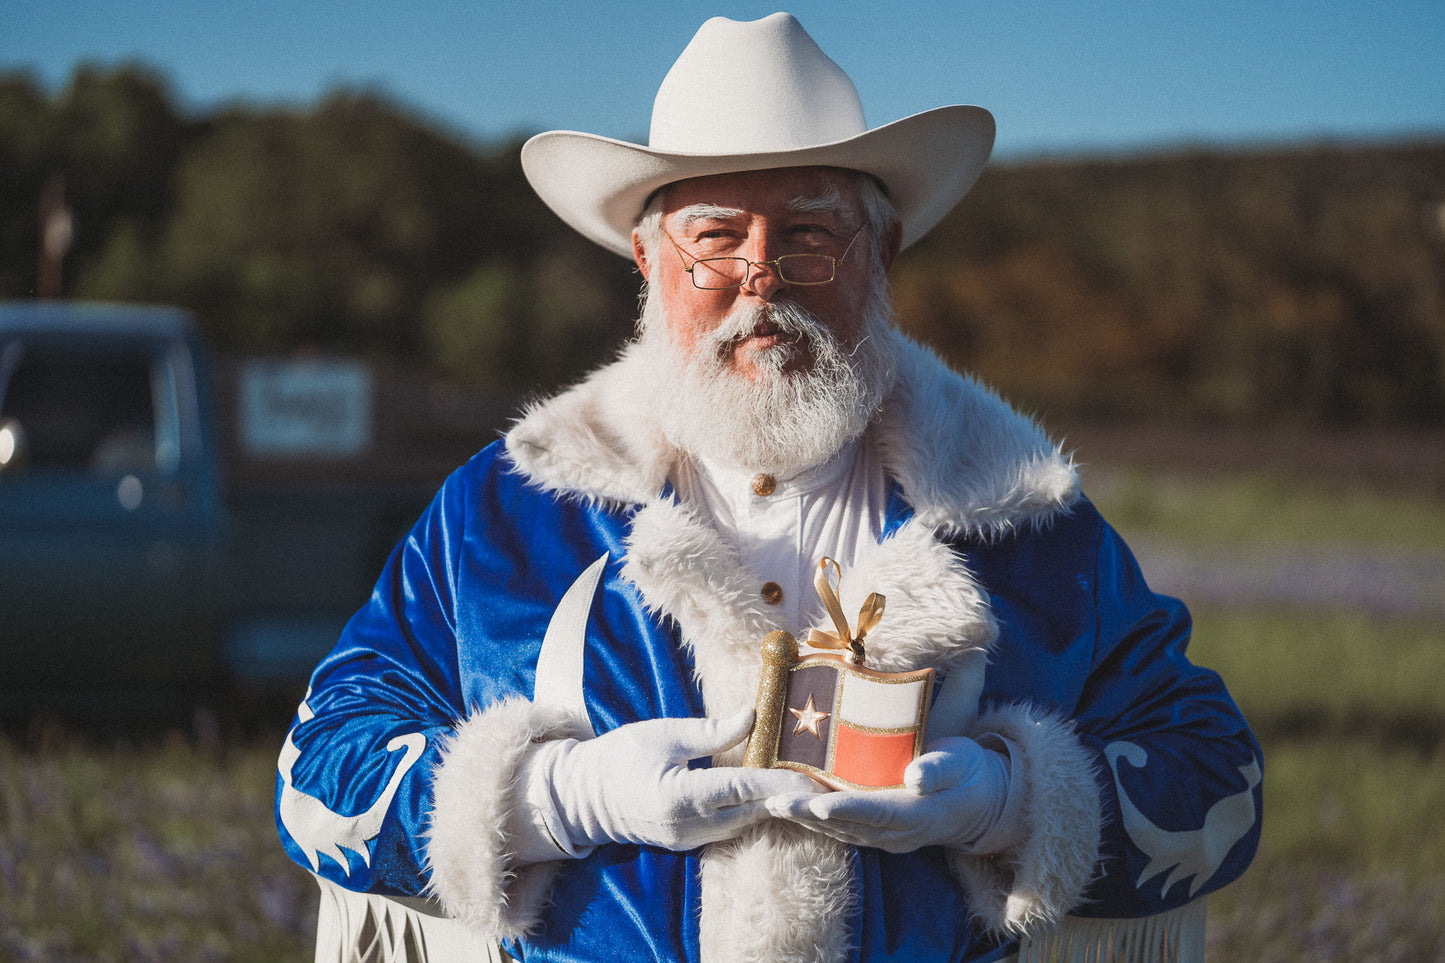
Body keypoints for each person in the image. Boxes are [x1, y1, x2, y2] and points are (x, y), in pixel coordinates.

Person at [277, 13, 1262, 963]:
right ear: (646, 257)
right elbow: (320, 767)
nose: (760, 278)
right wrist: (560, 798)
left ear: (881, 254)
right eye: (714, 236)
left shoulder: (1021, 522)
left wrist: (1008, 802)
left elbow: (1217, 776)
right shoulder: (506, 513)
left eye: (807, 235)